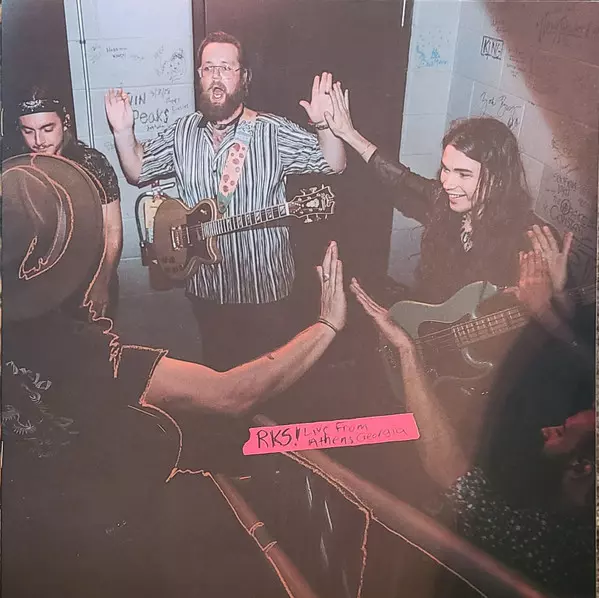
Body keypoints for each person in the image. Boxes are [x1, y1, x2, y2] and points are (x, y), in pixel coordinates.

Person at [1, 153, 347, 597]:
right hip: (105, 542)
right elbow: (232, 395)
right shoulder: (94, 357)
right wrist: (326, 326)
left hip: (25, 535)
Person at [349, 255, 596, 597]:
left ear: (583, 467)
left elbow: (449, 470)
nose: (546, 429)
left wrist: (407, 350)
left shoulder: (551, 545)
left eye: (561, 432)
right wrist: (558, 310)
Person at [105, 31, 346, 371]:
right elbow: (137, 171)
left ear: (244, 77)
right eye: (208, 68)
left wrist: (323, 125)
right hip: (206, 288)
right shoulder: (182, 131)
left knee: (268, 381)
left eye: (226, 68)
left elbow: (333, 164)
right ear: (199, 75)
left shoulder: (271, 131)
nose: (216, 77)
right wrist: (122, 132)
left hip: (264, 291)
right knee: (219, 375)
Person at [324, 84, 563, 304]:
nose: (447, 182)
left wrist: (557, 295)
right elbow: (400, 179)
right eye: (446, 169)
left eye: (463, 174)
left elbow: (547, 320)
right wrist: (349, 134)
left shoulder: (530, 238)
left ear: (498, 179)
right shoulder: (443, 202)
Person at [16, 85, 123, 319]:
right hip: (40, 289)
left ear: (65, 122)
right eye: (28, 131)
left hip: (88, 284)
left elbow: (112, 229)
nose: (38, 141)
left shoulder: (92, 163)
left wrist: (102, 282)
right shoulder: (18, 168)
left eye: (47, 129)